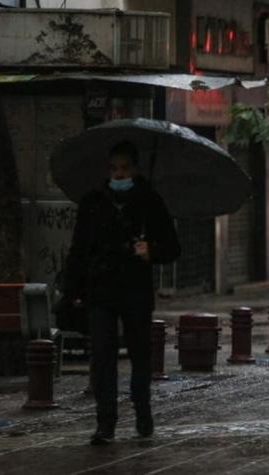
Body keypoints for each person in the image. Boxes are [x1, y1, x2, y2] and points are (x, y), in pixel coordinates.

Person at [64, 141, 181, 445]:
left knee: (140, 355)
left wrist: (150, 251)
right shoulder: (92, 203)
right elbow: (78, 250)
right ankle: (106, 422)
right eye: (115, 168)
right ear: (108, 170)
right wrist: (72, 290)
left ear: (135, 169)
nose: (120, 174)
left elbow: (172, 247)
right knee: (102, 356)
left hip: (135, 291)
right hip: (100, 290)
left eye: (125, 168)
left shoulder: (150, 202)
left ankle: (143, 411)